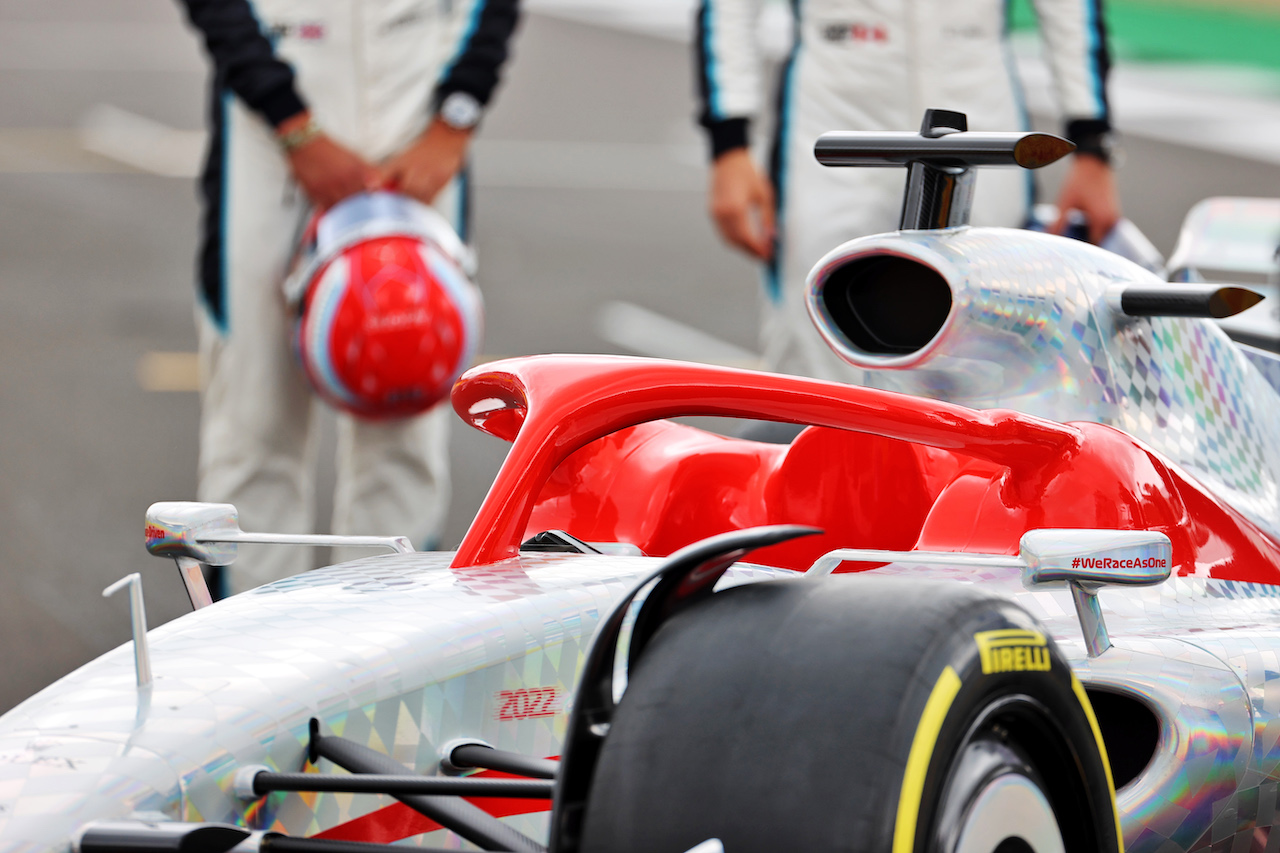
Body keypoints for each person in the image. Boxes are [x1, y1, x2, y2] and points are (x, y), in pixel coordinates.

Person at [177, 0, 521, 594]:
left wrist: (455, 121)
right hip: (268, 141)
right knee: (255, 428)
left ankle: (387, 667)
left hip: (418, 136)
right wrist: (293, 125)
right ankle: (258, 669)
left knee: (404, 426)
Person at [696, 0, 1120, 381]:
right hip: (833, 110)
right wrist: (729, 143)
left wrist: (1092, 143)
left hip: (977, 102)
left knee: (995, 342)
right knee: (818, 338)